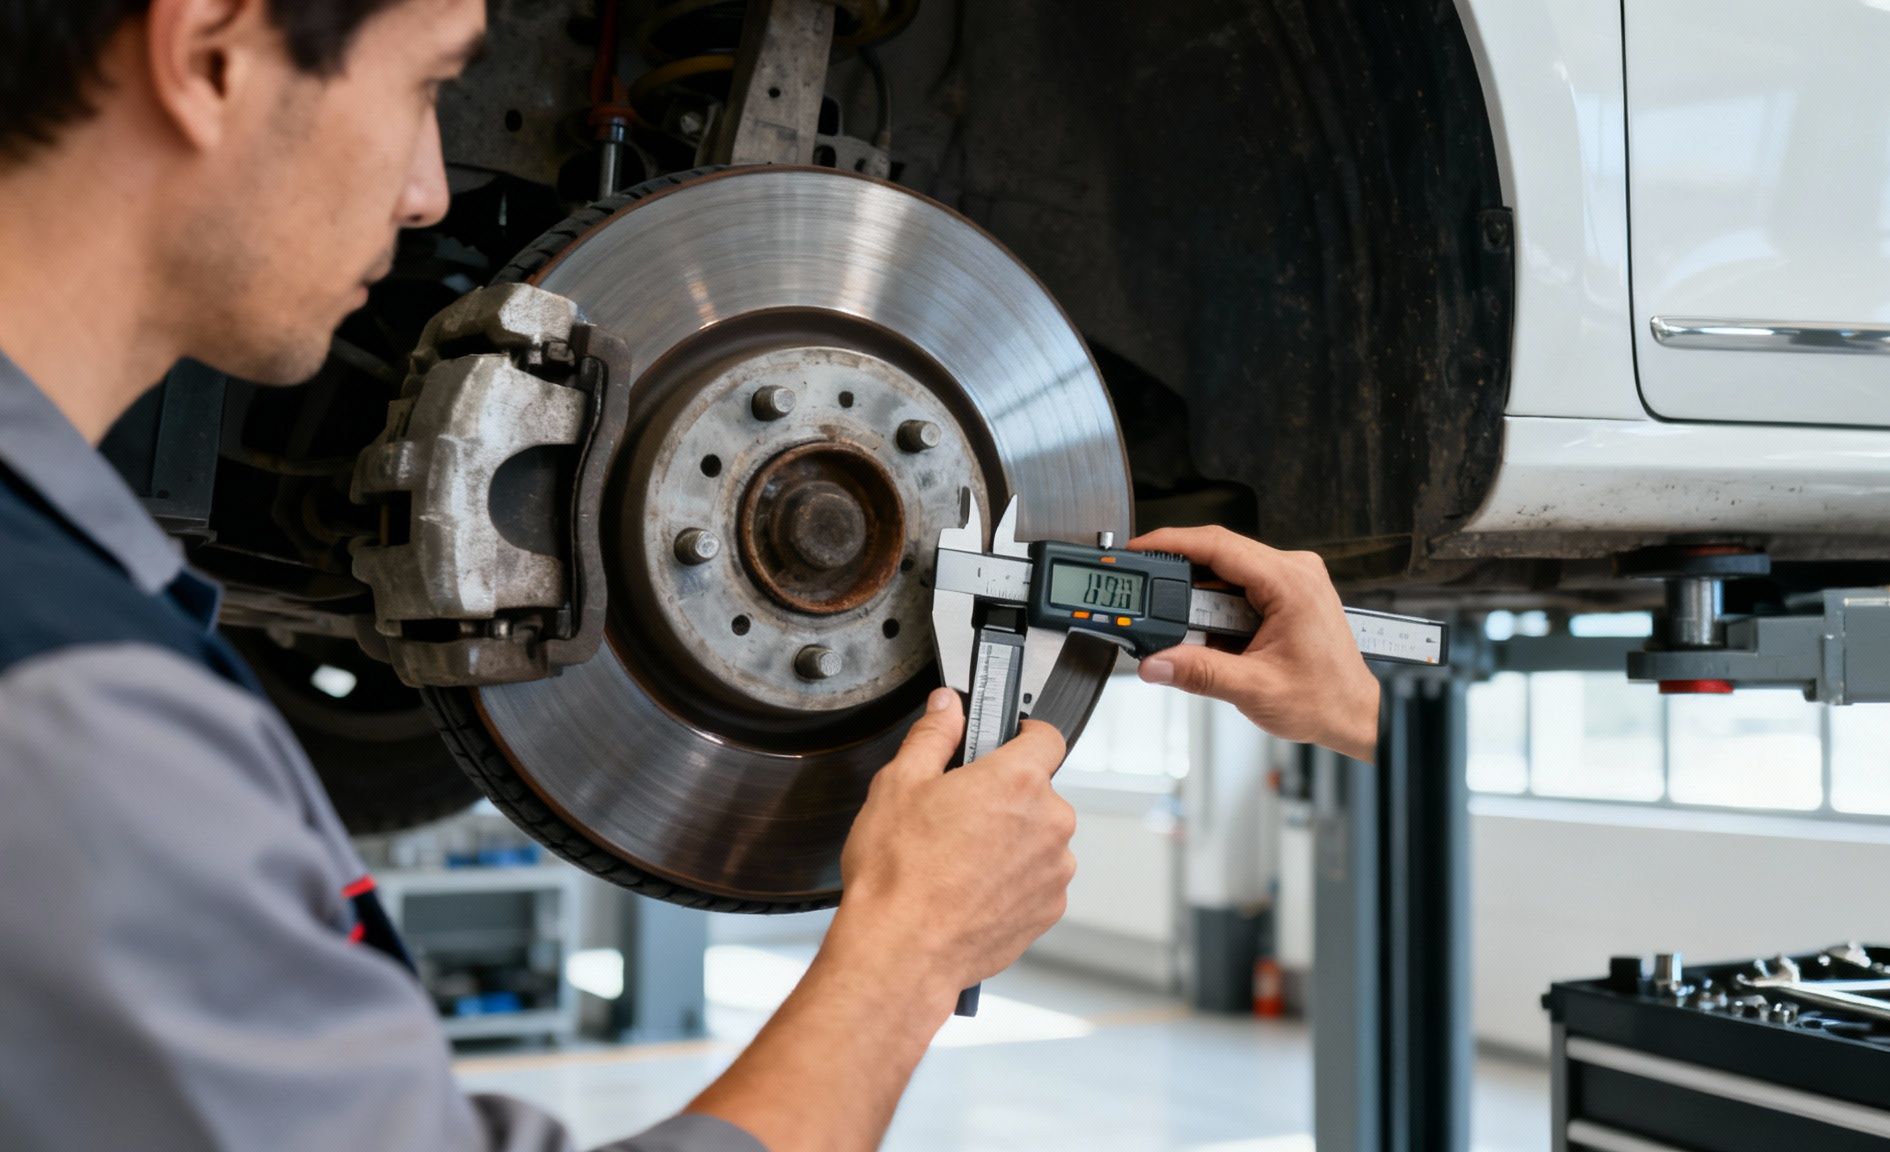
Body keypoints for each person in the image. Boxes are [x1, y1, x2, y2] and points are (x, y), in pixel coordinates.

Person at [0, 1, 1384, 1149]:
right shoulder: (76, 722)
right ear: (213, 50)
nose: (429, 186)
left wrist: (1369, 701)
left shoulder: (83, 618)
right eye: (429, 85)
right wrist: (909, 950)